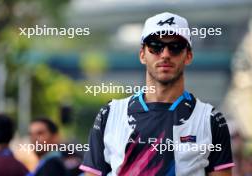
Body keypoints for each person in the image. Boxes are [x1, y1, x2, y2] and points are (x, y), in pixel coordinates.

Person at [79, 12, 235, 176]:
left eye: (175, 47)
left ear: (188, 56)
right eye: (155, 46)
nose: (165, 54)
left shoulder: (211, 119)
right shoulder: (110, 114)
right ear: (142, 55)